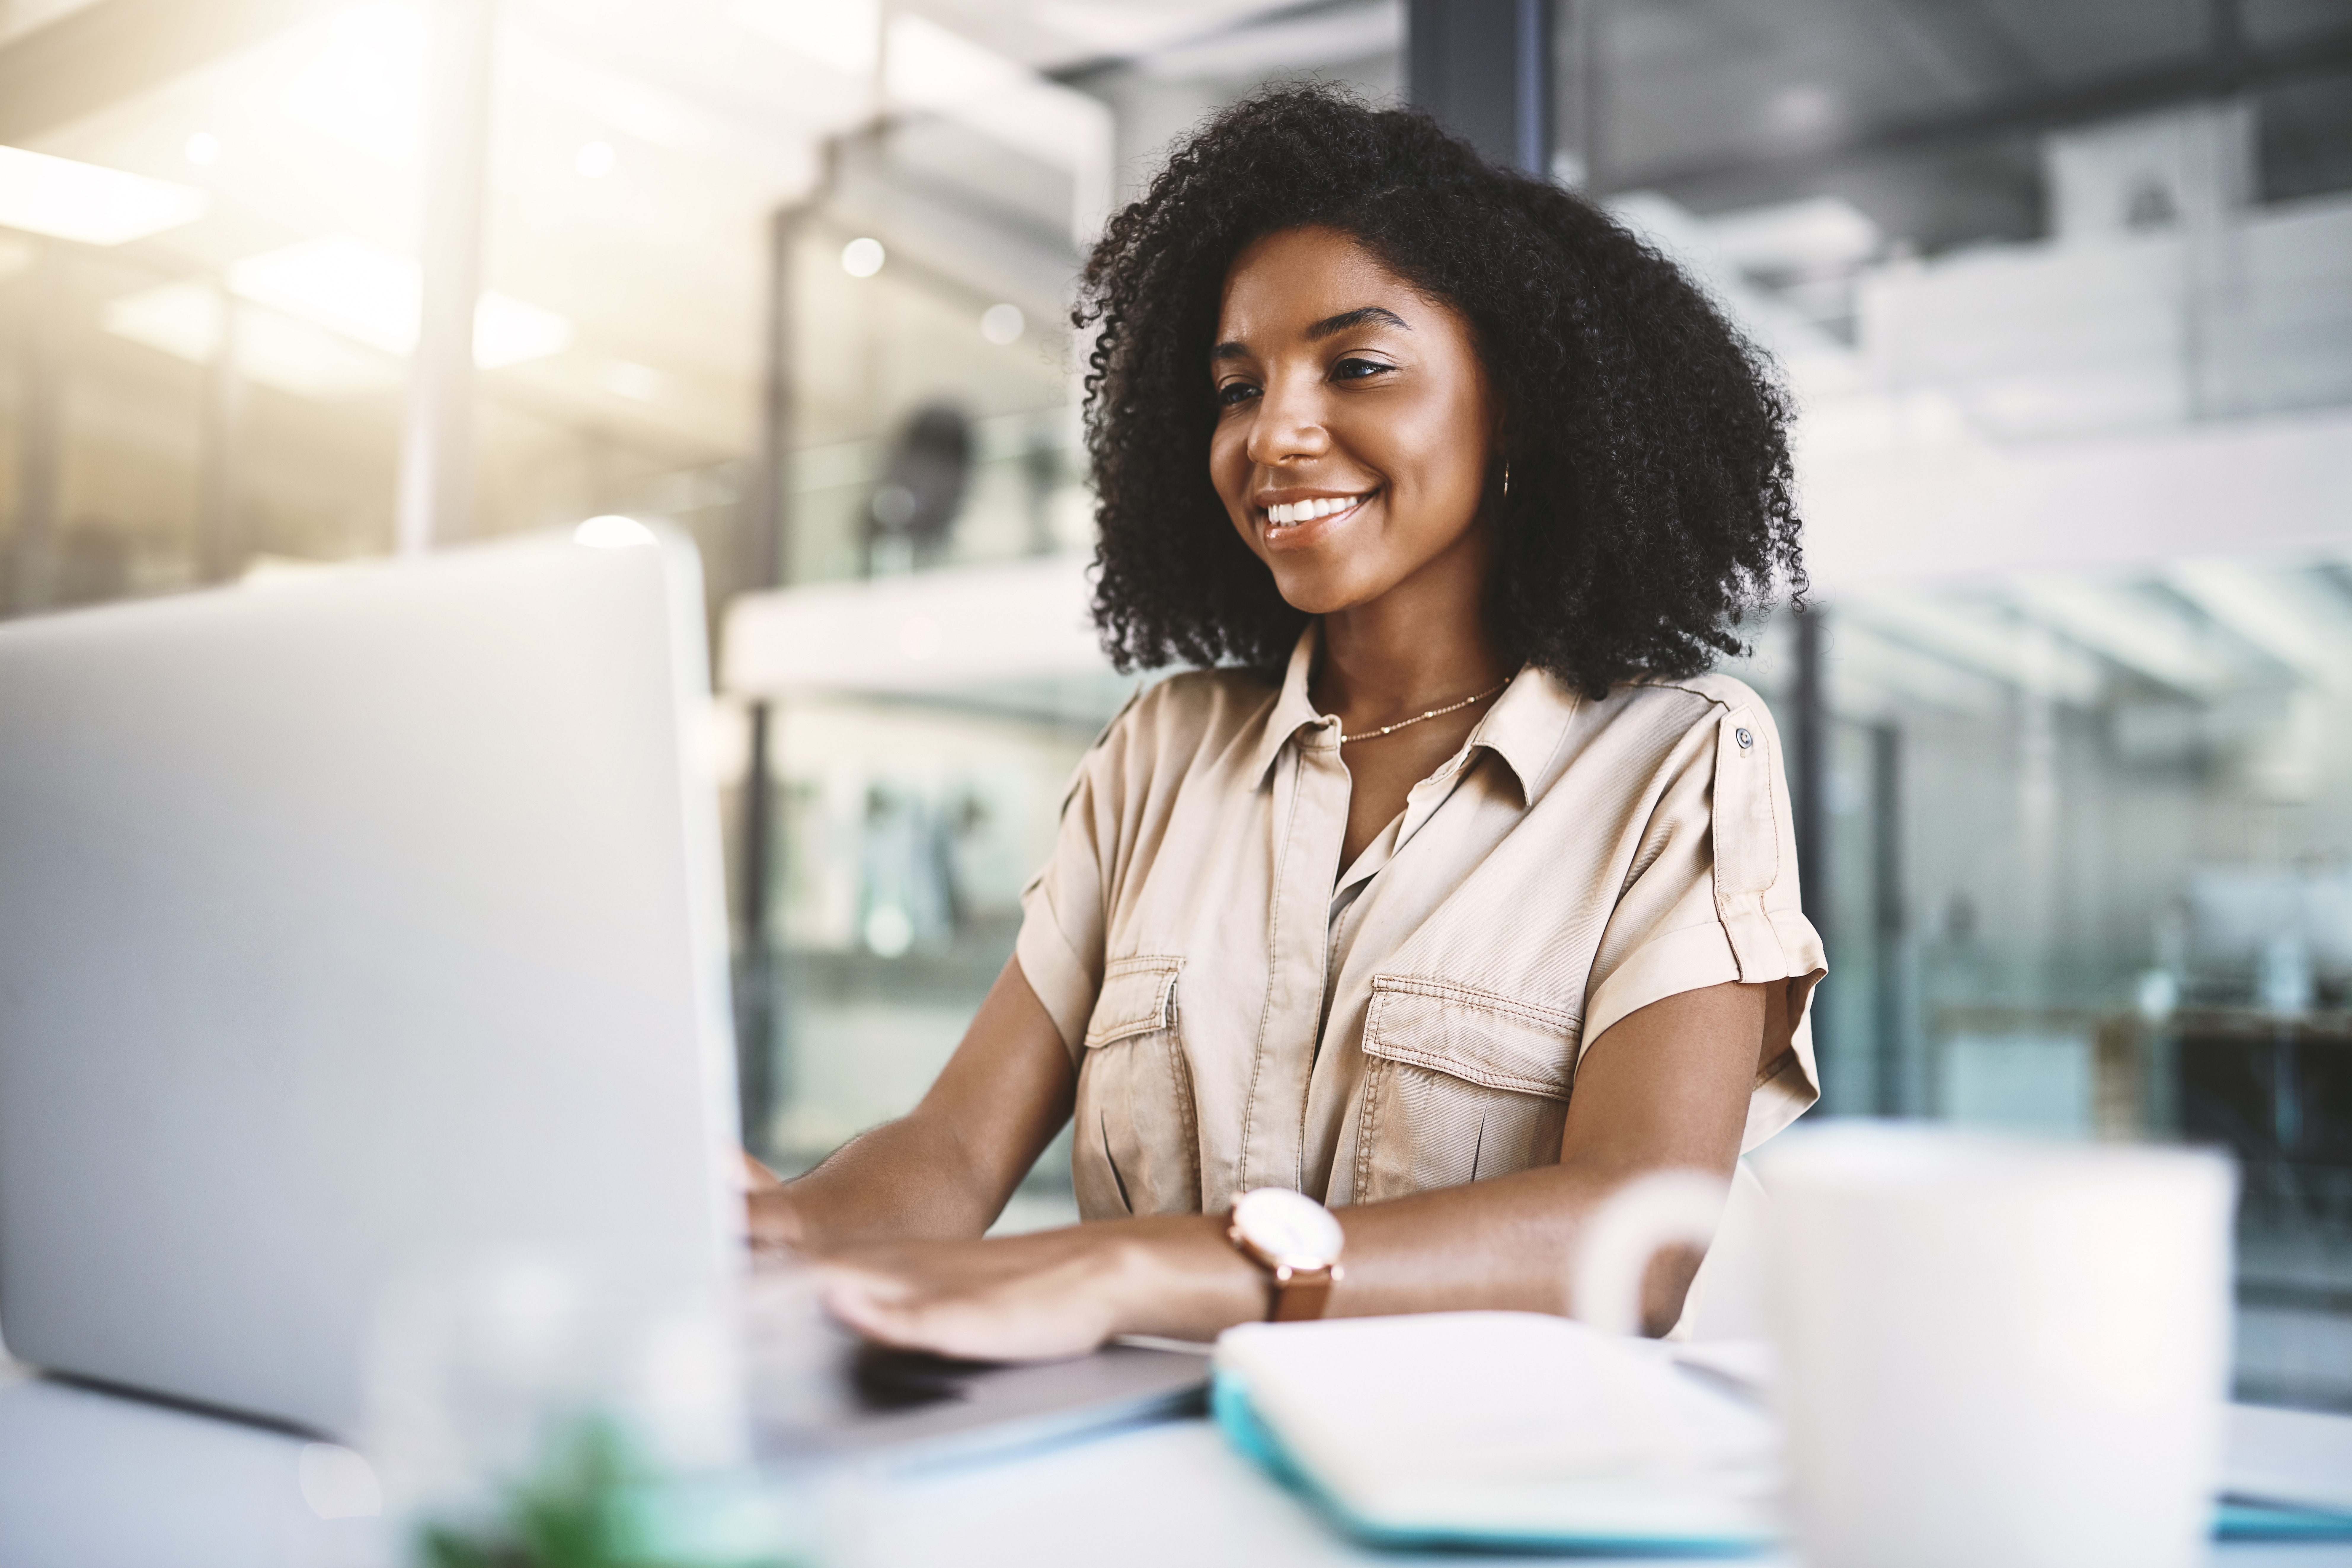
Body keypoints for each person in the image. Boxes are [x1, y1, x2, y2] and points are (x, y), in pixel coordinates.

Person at [748, 87, 1824, 1358]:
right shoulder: (1162, 753)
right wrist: (778, 1232)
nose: (1275, 433)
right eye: (1234, 387)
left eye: (1355, 366)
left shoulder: (1675, 763)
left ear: (1518, 404)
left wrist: (1137, 1269)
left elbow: (1634, 1241)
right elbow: (952, 1149)